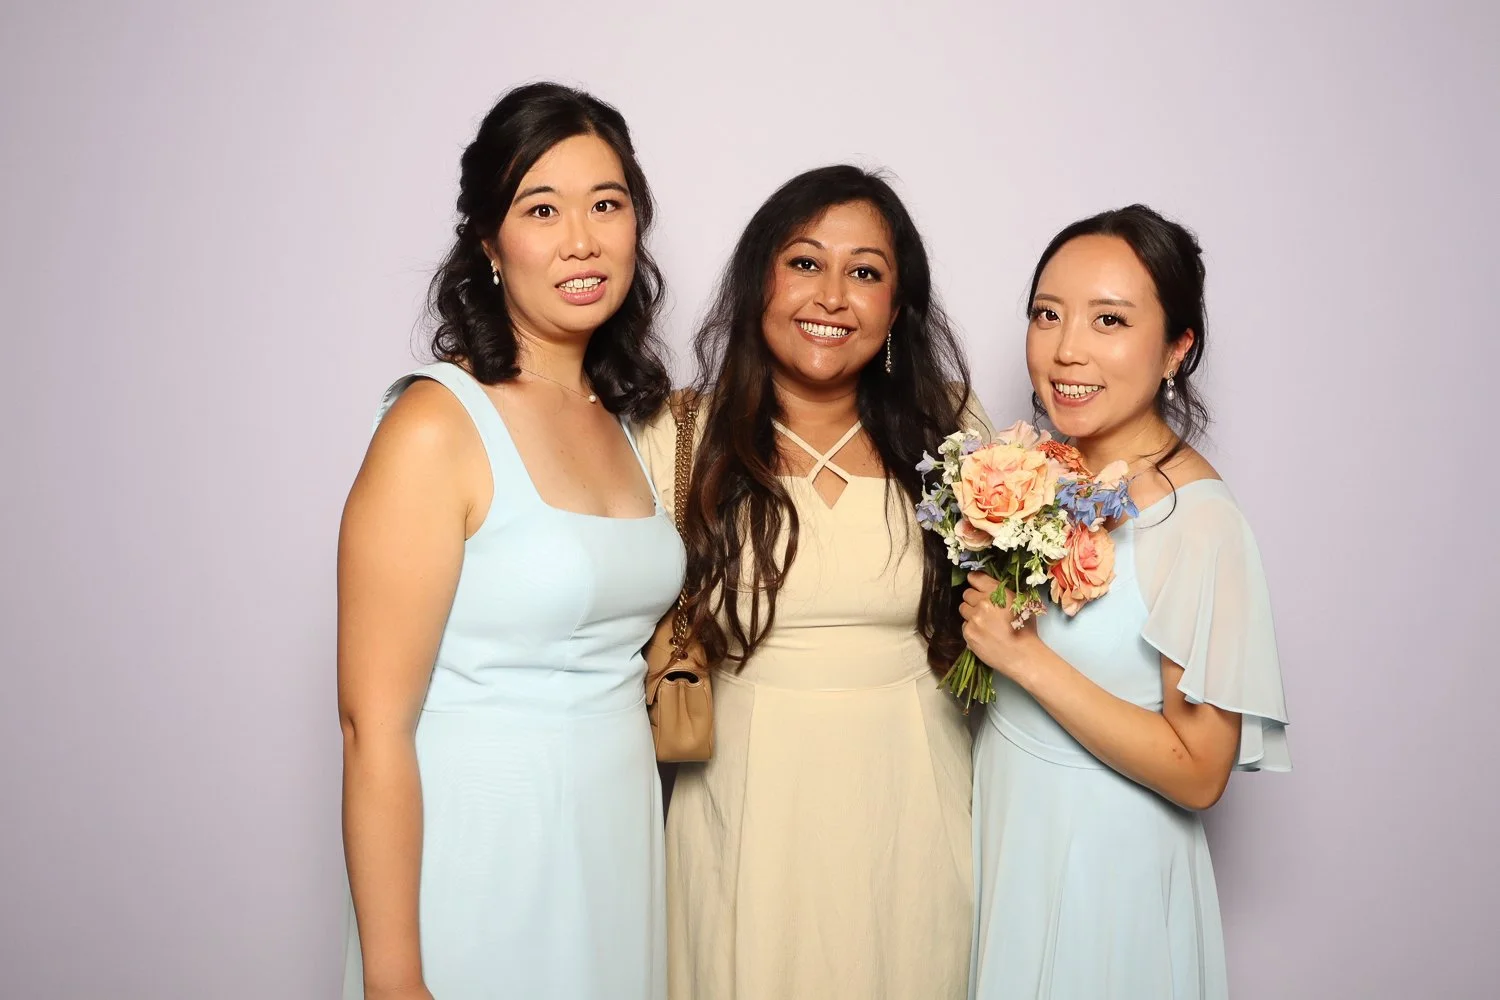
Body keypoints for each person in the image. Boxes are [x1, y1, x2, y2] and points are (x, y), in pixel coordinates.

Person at [337, 82, 681, 1000]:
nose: (582, 239)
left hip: (614, 842)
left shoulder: (626, 423)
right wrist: (393, 976)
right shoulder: (434, 426)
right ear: (490, 244)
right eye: (543, 209)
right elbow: (373, 728)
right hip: (481, 850)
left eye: (606, 205)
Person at [637, 165, 989, 1000]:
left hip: (914, 802)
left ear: (896, 309)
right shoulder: (680, 434)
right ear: (760, 278)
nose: (832, 296)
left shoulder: (952, 429)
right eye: (805, 263)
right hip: (743, 804)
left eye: (865, 272)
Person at [962, 205, 1291, 999]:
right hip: (1011, 837)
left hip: (1107, 876)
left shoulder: (1201, 522)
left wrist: (1026, 661)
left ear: (1177, 348)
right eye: (1048, 315)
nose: (1067, 349)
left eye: (1109, 320)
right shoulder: (1039, 474)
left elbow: (1200, 769)